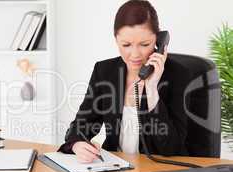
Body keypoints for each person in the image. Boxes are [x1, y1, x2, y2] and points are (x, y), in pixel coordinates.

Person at [58, 0, 191, 163]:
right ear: (116, 40)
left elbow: (171, 148)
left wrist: (151, 90)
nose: (135, 54)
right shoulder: (104, 71)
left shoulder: (178, 75)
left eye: (144, 44)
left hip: (158, 171)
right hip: (115, 169)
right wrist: (77, 145)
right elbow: (80, 126)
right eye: (126, 45)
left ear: (159, 40)